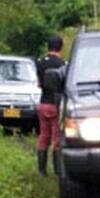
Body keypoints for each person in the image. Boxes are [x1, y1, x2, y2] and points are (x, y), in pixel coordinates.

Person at [36, 36, 66, 176]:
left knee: (43, 135)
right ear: (60, 47)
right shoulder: (62, 64)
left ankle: (41, 170)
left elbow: (38, 83)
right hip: (55, 104)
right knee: (56, 138)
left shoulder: (39, 62)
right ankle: (57, 170)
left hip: (42, 104)